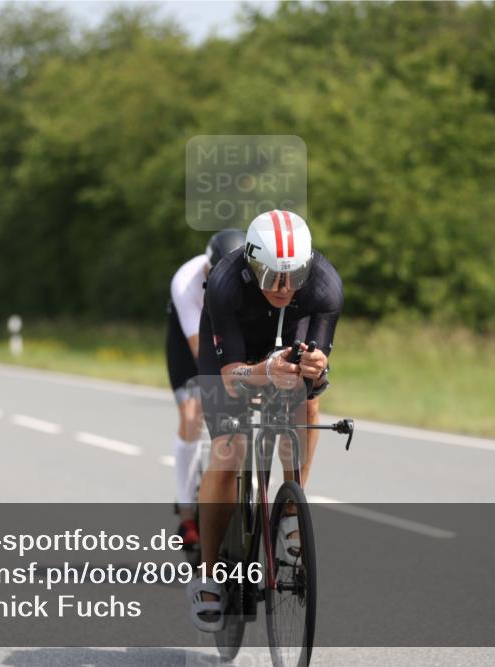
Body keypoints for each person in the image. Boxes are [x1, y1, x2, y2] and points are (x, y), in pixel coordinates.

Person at [187, 210, 343, 632]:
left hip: (291, 335)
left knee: (307, 405)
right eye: (272, 275)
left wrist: (314, 365)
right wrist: (264, 371)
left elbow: (319, 365)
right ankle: (206, 574)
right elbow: (229, 375)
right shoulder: (224, 282)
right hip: (233, 350)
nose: (283, 287)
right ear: (252, 264)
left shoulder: (326, 286)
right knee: (230, 448)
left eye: (293, 276)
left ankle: (291, 509)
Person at [166, 229, 246, 551]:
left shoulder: (248, 279)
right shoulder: (186, 281)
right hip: (191, 343)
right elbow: (202, 352)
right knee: (193, 414)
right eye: (217, 273)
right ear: (206, 268)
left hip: (231, 336)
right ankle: (187, 512)